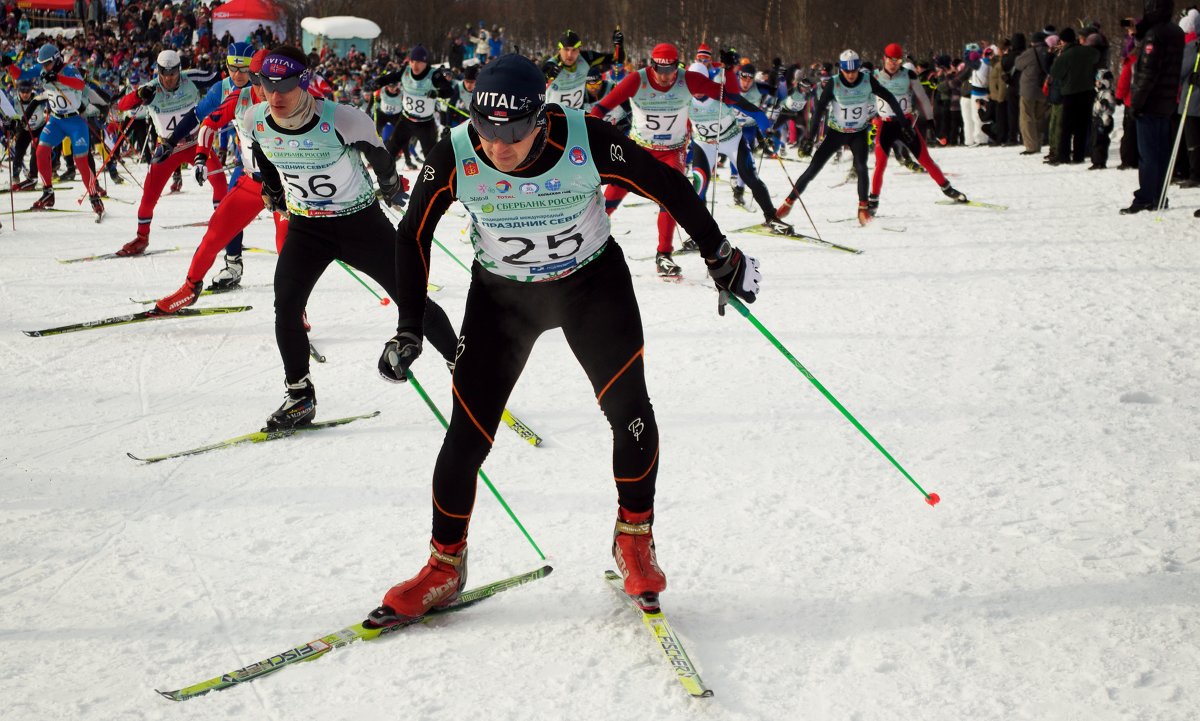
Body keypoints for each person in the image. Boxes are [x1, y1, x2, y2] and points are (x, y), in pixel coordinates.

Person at [368, 54, 761, 624]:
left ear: (542, 117)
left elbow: (667, 183)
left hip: (591, 289)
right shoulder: (454, 148)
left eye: (514, 131)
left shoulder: (584, 139)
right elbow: (413, 235)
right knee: (466, 436)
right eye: (486, 128)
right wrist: (408, 325)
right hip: (503, 301)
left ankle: (633, 539)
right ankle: (444, 566)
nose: (497, 146)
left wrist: (718, 252)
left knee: (630, 413)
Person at [242, 46, 460, 429]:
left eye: (286, 87)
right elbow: (262, 152)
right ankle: (300, 396)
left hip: (360, 223)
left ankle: (463, 367)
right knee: (286, 303)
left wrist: (390, 187)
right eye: (267, 85)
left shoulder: (342, 119)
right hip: (307, 227)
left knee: (411, 297)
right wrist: (273, 189)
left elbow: (380, 155)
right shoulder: (254, 118)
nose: (275, 96)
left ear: (305, 83)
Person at [588, 43, 770, 277]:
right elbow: (602, 107)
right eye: (659, 70)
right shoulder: (637, 79)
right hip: (639, 148)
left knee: (670, 197)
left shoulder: (689, 80)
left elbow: (728, 96)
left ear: (678, 66)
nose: (664, 77)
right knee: (611, 198)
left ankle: (663, 255)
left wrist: (759, 116)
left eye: (670, 70)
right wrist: (592, 134)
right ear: (651, 65)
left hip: (672, 151)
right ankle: (587, 248)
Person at [152, 49, 294, 314]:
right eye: (257, 81)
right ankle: (190, 289)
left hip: (286, 186)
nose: (263, 90)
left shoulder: (290, 99)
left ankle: (295, 309)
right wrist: (199, 157)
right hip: (252, 182)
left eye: (269, 81)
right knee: (215, 232)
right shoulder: (239, 97)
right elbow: (207, 124)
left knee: (286, 246)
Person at [777, 50, 912, 225]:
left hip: (858, 133)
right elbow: (819, 110)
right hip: (836, 134)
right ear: (841, 69)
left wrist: (904, 123)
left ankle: (863, 210)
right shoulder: (834, 83)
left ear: (858, 68)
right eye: (846, 71)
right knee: (813, 169)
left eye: (853, 70)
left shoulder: (867, 80)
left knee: (862, 167)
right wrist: (810, 138)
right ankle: (788, 203)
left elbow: (890, 98)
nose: (850, 74)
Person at [114, 49, 227, 255]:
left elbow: (220, 78)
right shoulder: (151, 88)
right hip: (168, 148)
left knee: (220, 183)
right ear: (158, 71)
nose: (168, 78)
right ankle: (141, 238)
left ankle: (224, 233)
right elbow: (122, 105)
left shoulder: (191, 78)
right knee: (149, 196)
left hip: (196, 144)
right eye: (164, 73)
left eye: (173, 73)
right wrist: (138, 95)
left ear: (179, 70)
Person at [4, 43, 104, 219]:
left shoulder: (69, 70)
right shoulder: (42, 69)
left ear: (57, 59)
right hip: (56, 121)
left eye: (47, 63)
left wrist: (57, 77)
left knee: (80, 160)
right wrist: (9, 65)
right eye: (42, 64)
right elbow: (21, 74)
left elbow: (80, 85)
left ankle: (94, 196)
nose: (44, 67)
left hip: (75, 121)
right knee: (41, 151)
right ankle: (48, 192)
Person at [870, 43, 968, 215]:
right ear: (884, 58)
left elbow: (923, 98)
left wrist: (931, 122)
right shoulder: (875, 76)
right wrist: (870, 117)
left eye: (898, 60)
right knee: (880, 163)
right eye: (891, 60)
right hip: (885, 124)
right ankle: (873, 201)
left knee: (925, 159)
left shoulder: (908, 75)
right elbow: (866, 99)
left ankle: (947, 189)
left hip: (905, 124)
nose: (894, 63)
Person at [1122, 0, 1186, 214]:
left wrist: (1136, 103)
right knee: (1160, 151)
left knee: (1148, 153)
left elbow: (1148, 73)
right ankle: (1158, 194)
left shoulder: (1155, 35)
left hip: (1150, 100)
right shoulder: (1175, 32)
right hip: (1167, 99)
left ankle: (1147, 197)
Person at [381, 45, 456, 168]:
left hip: (425, 123)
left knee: (432, 157)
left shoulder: (433, 74)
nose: (415, 66)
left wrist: (437, 93)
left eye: (419, 62)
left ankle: (437, 182)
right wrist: (377, 82)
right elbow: (390, 77)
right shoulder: (405, 72)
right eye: (413, 62)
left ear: (426, 63)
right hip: (406, 119)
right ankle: (386, 180)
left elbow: (449, 91)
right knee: (391, 149)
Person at [542, 28, 625, 109]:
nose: (570, 54)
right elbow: (541, 75)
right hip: (554, 116)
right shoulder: (552, 65)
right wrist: (547, 75)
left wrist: (619, 46)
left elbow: (617, 59)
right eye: (566, 49)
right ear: (559, 50)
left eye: (574, 50)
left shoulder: (586, 58)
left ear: (579, 49)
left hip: (576, 115)